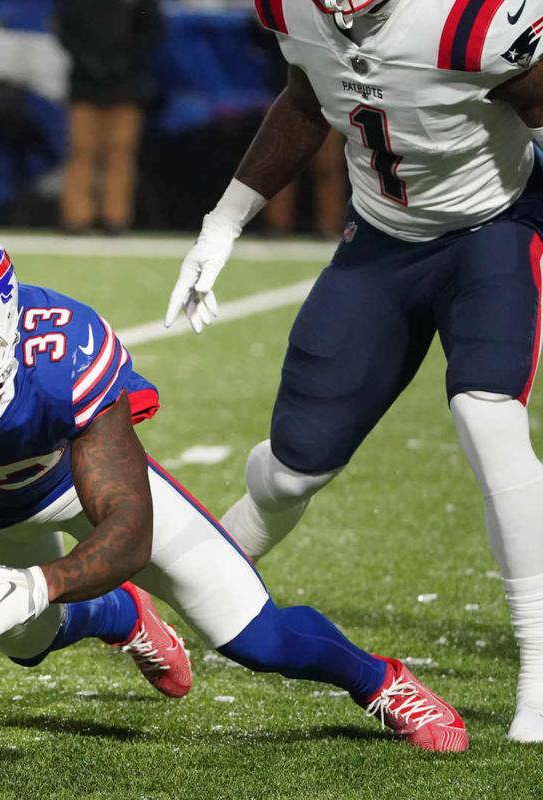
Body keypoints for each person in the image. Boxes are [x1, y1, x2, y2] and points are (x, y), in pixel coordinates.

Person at [0, 220, 467, 751]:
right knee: (23, 647)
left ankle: (379, 681)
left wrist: (39, 580)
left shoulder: (63, 346)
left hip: (76, 487)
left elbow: (127, 532)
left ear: (5, 334)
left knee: (253, 637)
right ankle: (115, 617)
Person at [164, 0, 543, 741]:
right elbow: (308, 97)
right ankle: (224, 560)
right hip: (381, 240)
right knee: (292, 472)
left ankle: (539, 659)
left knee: (486, 415)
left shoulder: (474, 18)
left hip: (491, 228)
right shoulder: (288, 7)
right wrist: (223, 221)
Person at [55, 0, 163, 235]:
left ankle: (116, 218)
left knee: (120, 152)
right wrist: (88, 61)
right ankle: (76, 217)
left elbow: (152, 31)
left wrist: (124, 61)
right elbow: (65, 29)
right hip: (85, 82)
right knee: (81, 150)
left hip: (126, 82)